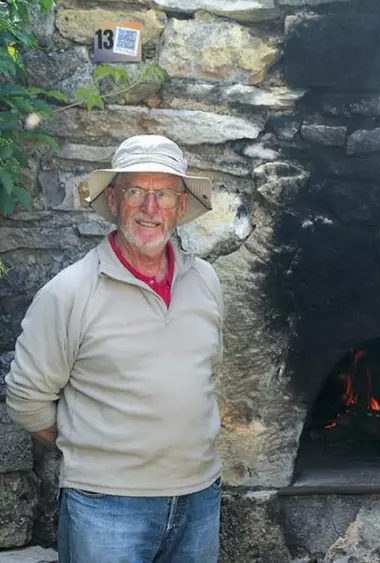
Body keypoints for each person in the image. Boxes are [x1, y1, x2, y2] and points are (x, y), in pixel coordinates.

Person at [4, 135, 224, 562]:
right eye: (136, 192)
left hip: (199, 498)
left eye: (163, 194)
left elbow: (207, 373)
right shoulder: (68, 292)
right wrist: (94, 449)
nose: (149, 208)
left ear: (181, 208)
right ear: (113, 199)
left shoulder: (206, 282)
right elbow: (28, 401)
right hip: (106, 507)